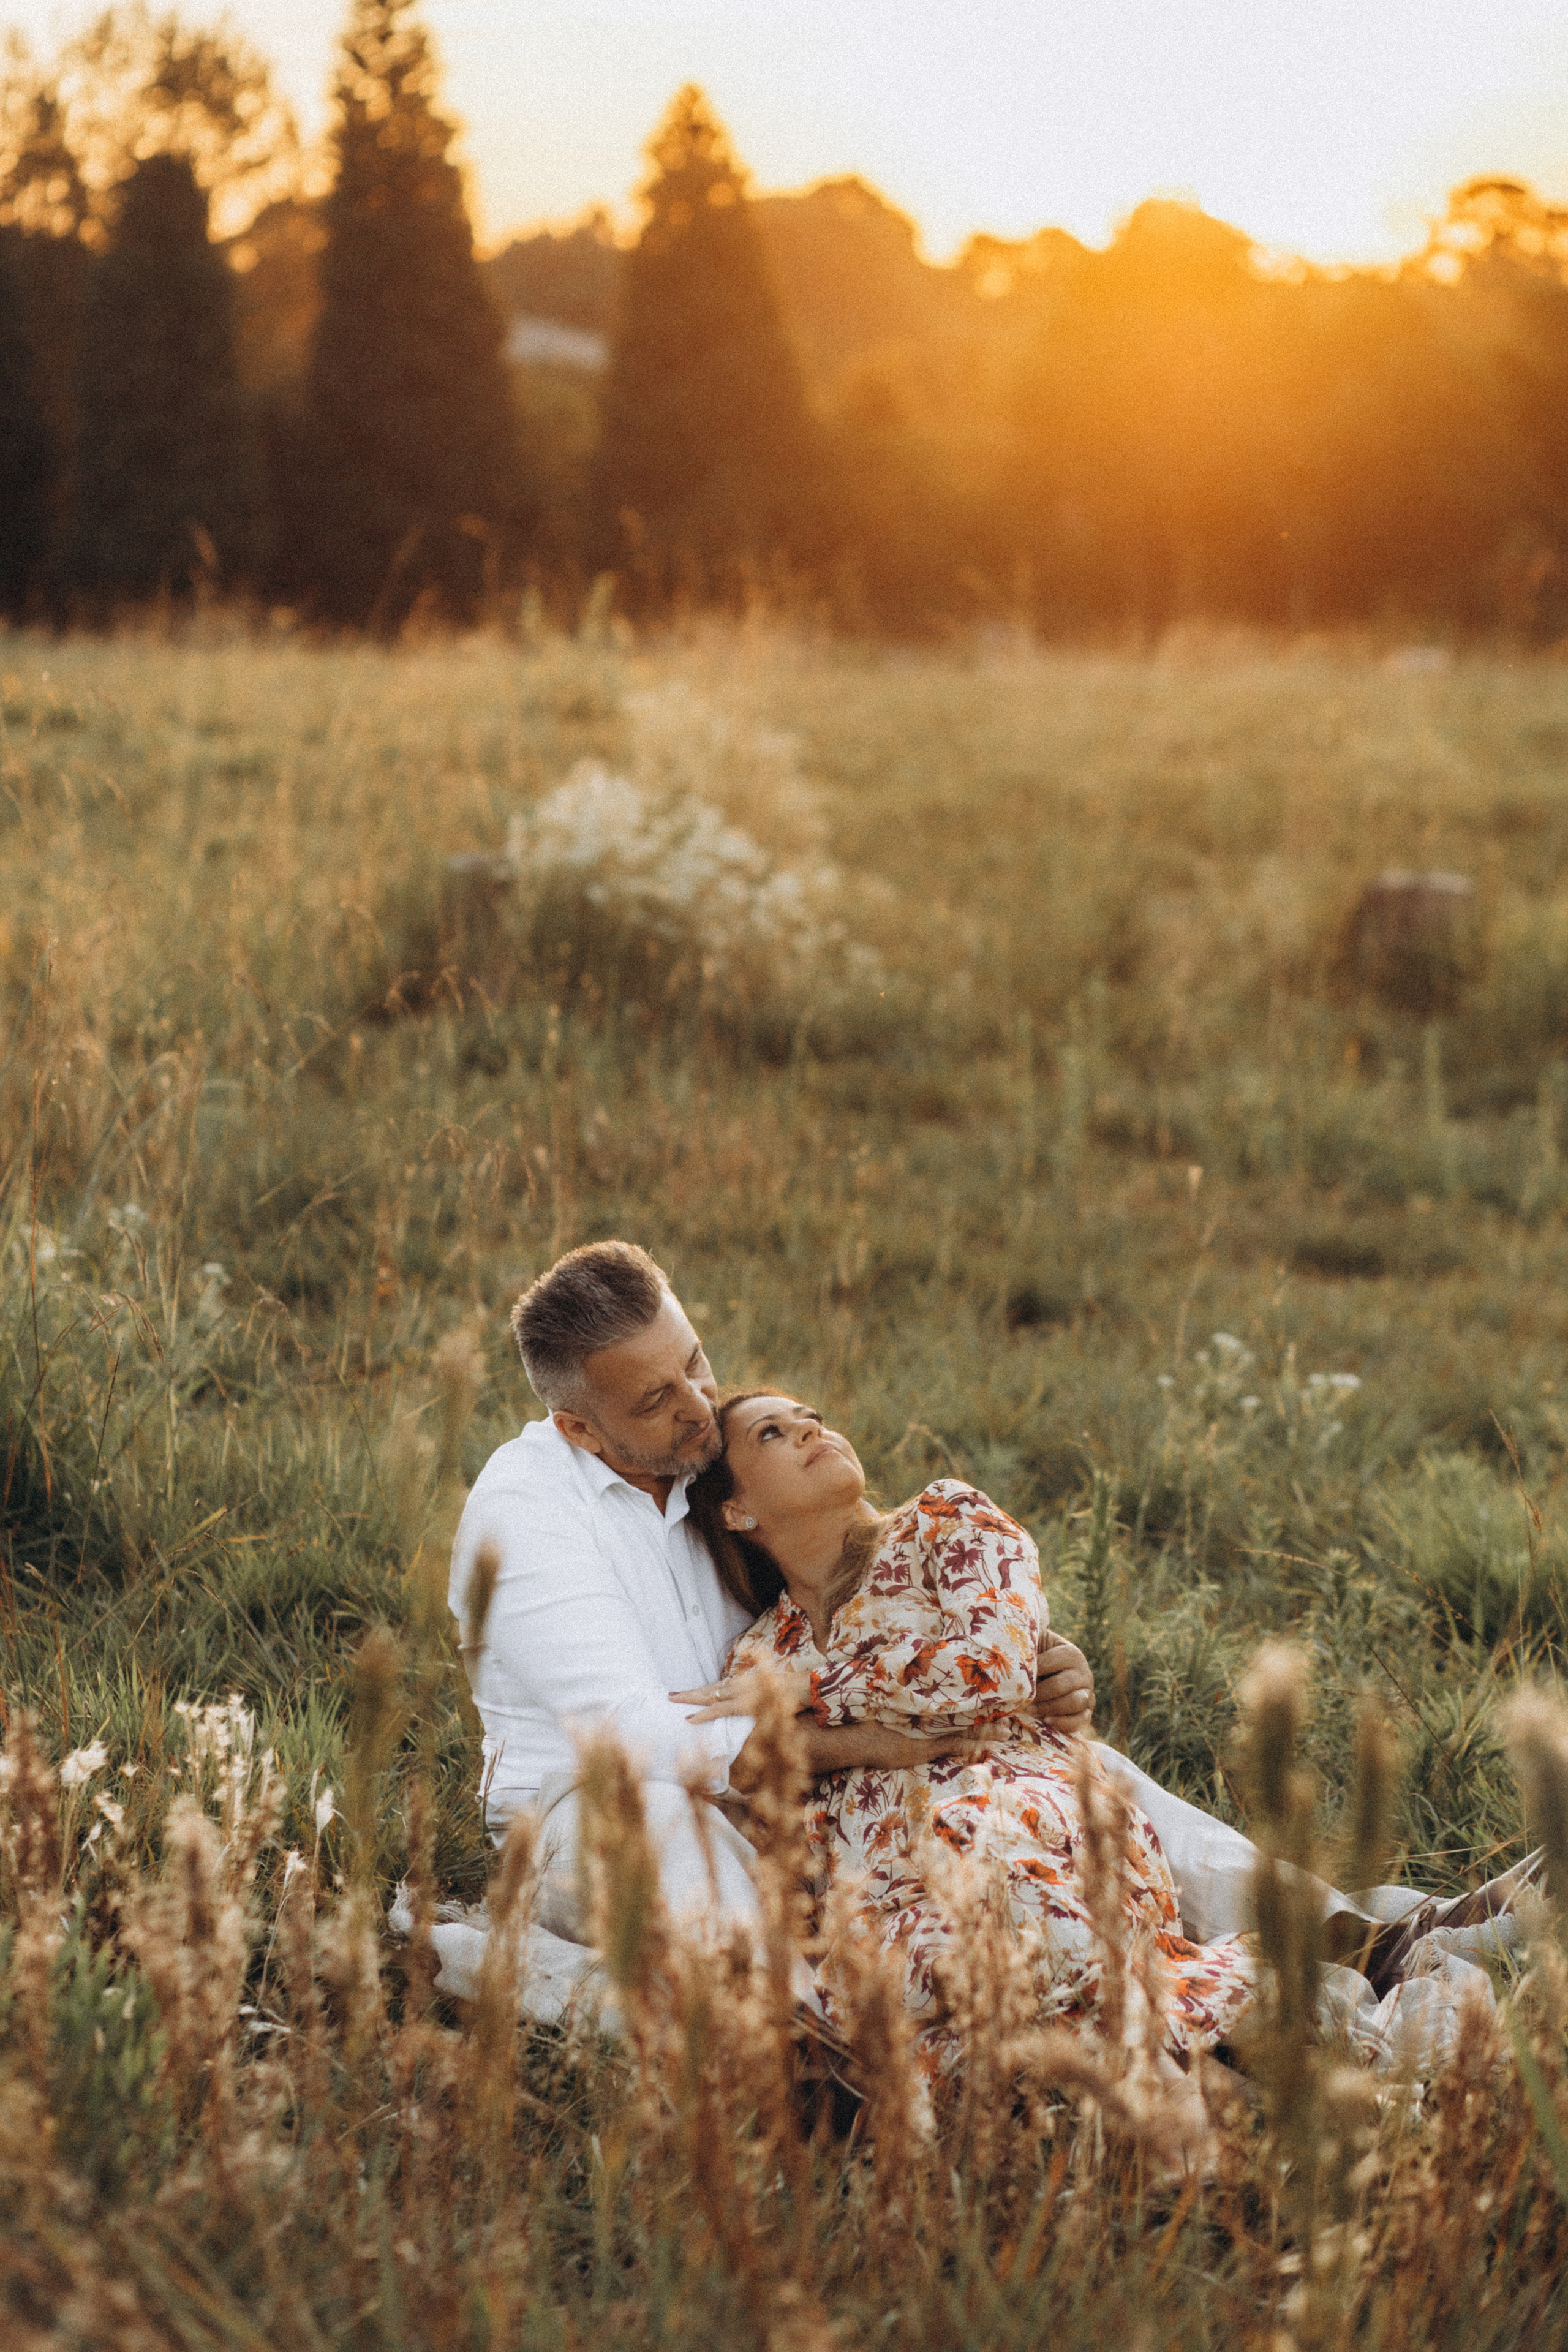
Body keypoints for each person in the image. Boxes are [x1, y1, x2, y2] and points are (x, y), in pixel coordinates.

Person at [447, 1240, 1095, 1955]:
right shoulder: (523, 1514)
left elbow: (857, 1576)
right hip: (603, 1811)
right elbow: (637, 1738)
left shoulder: (701, 1462)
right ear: (580, 1428)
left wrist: (1029, 1653)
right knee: (677, 1847)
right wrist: (868, 1746)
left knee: (1071, 1777)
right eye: (656, 1398)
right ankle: (788, 2020)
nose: (699, 1406)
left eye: (693, 1362)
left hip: (792, 1797)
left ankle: (1225, 1941)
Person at [680, 1391, 1260, 2094]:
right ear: (737, 1513)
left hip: (1026, 1824)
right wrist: (862, 1740)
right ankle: (1215, 2115)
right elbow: (756, 1783)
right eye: (773, 1433)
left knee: (1012, 1912)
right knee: (934, 2010)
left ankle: (1188, 2115)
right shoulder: (756, 1657)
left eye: (813, 1417)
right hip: (892, 1892)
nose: (810, 1428)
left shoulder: (945, 1523)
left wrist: (814, 1690)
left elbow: (993, 1669)